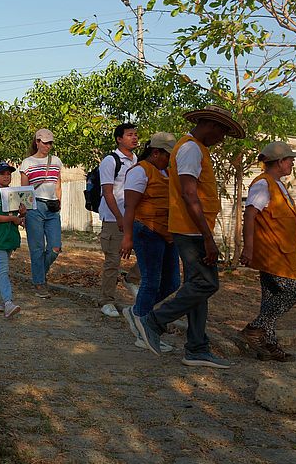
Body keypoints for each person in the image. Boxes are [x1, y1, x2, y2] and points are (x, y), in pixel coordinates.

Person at [133, 105, 245, 369]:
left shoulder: (196, 149)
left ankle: (196, 348)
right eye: (223, 132)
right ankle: (153, 321)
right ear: (211, 125)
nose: (222, 139)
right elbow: (189, 193)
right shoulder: (191, 149)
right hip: (192, 229)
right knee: (207, 284)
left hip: (193, 228)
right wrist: (207, 236)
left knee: (199, 290)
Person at [239, 141, 296, 362]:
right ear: (279, 162)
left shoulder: (279, 185)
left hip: (283, 252)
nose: (293, 163)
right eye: (290, 159)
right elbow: (250, 215)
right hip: (272, 252)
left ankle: (267, 344)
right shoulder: (263, 184)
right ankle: (255, 328)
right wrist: (248, 247)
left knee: (271, 298)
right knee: (291, 293)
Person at [121, 133, 180, 353]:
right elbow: (130, 207)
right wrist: (128, 237)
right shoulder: (140, 171)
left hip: (167, 232)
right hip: (146, 230)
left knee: (173, 282)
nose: (170, 161)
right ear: (155, 153)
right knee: (151, 281)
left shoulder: (168, 172)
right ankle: (143, 332)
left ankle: (137, 312)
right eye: (167, 156)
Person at [96, 123, 141, 317]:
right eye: (130, 135)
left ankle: (131, 278)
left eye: (136, 135)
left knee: (147, 253)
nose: (134, 138)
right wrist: (119, 217)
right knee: (113, 261)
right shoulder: (110, 160)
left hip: (133, 217)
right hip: (114, 218)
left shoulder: (136, 160)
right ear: (119, 139)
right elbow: (107, 192)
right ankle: (107, 301)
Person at [19, 128, 63, 299]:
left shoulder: (56, 161)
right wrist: (23, 213)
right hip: (34, 208)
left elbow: (58, 185)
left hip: (52, 208)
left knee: (55, 247)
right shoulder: (27, 163)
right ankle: (39, 283)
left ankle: (38, 274)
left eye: (50, 142)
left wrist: (60, 204)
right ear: (37, 142)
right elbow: (24, 190)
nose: (48, 146)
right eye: (45, 142)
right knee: (36, 248)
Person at [0, 162, 26, 318]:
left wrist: (22, 214)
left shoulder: (14, 194)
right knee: (3, 269)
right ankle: (8, 302)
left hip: (10, 237)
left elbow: (18, 217)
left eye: (8, 174)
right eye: (2, 174)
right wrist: (12, 218)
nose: (6, 176)